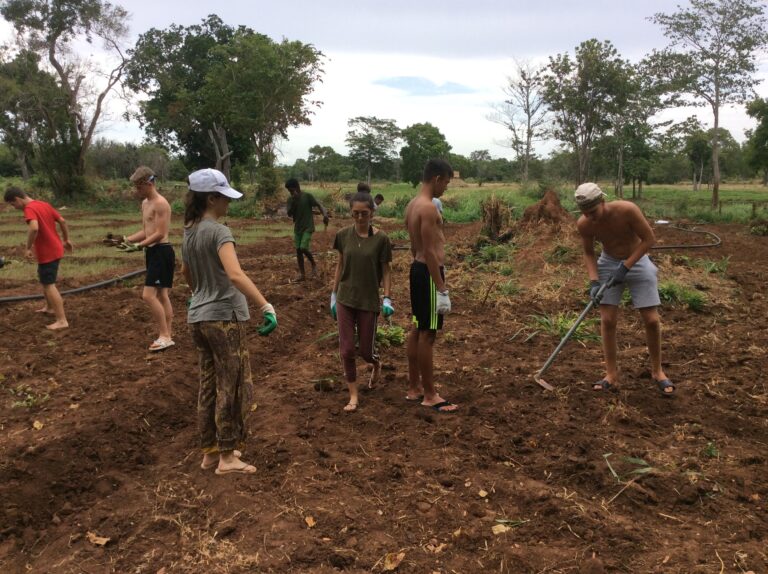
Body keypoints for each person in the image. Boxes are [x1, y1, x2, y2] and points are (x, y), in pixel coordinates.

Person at [181, 168, 278, 475]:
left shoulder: (190, 231)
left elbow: (186, 273)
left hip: (198, 317)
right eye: (224, 198)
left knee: (208, 384)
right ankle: (227, 456)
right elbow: (235, 274)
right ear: (211, 198)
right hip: (224, 317)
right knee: (231, 383)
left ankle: (209, 452)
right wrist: (265, 305)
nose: (228, 204)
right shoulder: (219, 232)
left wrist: (199, 292)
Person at [575, 182, 674, 396]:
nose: (590, 217)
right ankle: (611, 374)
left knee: (651, 320)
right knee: (608, 320)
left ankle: (657, 372)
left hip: (638, 260)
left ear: (603, 202)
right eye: (585, 213)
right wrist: (594, 281)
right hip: (609, 262)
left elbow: (649, 239)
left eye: (593, 212)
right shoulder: (584, 224)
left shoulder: (627, 210)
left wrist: (626, 266)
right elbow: (589, 253)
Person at [330, 192, 393, 412]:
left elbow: (386, 270)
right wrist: (333, 293)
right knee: (347, 350)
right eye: (355, 213)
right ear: (351, 212)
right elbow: (340, 264)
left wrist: (387, 297)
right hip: (345, 299)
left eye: (364, 213)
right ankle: (353, 395)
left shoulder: (381, 239)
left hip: (368, 300)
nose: (359, 218)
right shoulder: (342, 235)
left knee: (366, 351)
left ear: (372, 213)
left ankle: (376, 363)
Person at [404, 159, 458, 412]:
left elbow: (416, 249)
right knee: (428, 334)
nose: (445, 188)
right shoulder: (427, 208)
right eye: (446, 182)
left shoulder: (411, 205)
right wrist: (442, 288)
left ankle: (414, 387)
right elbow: (429, 251)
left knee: (417, 328)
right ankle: (430, 394)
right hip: (428, 274)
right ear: (437, 179)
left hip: (417, 269)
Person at [119, 167, 176, 351]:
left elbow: (160, 233)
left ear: (149, 183)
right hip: (152, 252)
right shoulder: (145, 203)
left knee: (148, 295)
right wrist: (127, 240)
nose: (137, 191)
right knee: (161, 295)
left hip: (161, 252)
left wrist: (139, 245)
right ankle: (168, 334)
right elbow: (147, 231)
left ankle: (165, 335)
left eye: (139, 187)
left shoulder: (161, 204)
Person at [4, 186, 73, 330]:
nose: (14, 207)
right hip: (56, 248)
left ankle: (61, 320)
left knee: (49, 284)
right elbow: (62, 220)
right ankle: (49, 307)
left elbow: (34, 228)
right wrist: (66, 240)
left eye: (12, 204)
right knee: (45, 279)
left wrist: (28, 247)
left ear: (17, 199)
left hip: (47, 252)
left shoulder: (29, 209)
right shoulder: (43, 204)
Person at [285, 178, 329, 281]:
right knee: (298, 251)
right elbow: (289, 214)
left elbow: (318, 204)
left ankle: (313, 264)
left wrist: (325, 215)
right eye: (289, 191)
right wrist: (294, 202)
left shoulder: (307, 196)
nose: (290, 192)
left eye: (291, 190)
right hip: (298, 228)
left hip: (308, 227)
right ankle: (302, 274)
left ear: (297, 187)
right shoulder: (290, 200)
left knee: (303, 248)